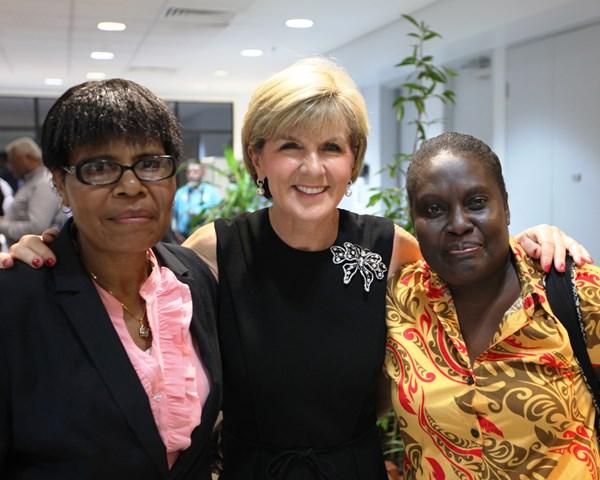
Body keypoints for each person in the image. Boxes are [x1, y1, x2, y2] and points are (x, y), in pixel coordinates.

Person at [1, 58, 591, 479]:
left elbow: (471, 267)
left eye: (332, 147)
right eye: (290, 146)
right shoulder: (213, 251)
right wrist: (46, 245)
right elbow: (129, 264)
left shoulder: (388, 250)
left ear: (353, 160)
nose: (313, 168)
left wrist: (538, 241)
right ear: (258, 156)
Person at [0, 79, 222, 479]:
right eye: (100, 168)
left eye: (151, 163)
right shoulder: (16, 299)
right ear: (60, 185)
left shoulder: (193, 280)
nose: (131, 186)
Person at [385, 132, 600, 479]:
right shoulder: (398, 302)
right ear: (414, 220)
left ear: (506, 206)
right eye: (434, 209)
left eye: (476, 202)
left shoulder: (575, 291)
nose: (458, 224)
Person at [172, 160, 222, 242]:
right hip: (182, 239)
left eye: (195, 171)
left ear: (202, 173)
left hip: (206, 238)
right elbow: (174, 216)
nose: (191, 175)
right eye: (189, 172)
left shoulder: (212, 192)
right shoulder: (180, 193)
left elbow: (218, 215)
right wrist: (176, 233)